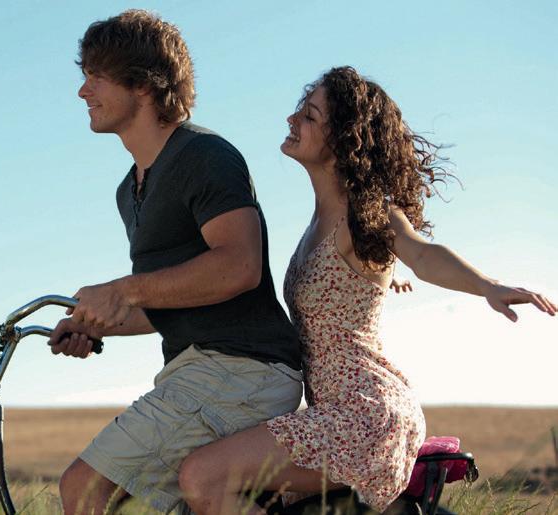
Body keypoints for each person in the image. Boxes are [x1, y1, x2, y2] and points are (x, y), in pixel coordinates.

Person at [176, 66, 557, 514]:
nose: (292, 120)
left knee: (201, 477)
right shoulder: (317, 226)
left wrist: (487, 285)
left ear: (344, 139)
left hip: (365, 415)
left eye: (310, 116)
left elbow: (422, 254)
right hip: (331, 415)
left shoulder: (366, 215)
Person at [46, 10, 305, 514]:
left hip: (242, 368)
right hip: (198, 369)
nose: (82, 91)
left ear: (143, 84)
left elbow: (240, 265)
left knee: (83, 488)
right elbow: (169, 302)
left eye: (96, 77)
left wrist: (123, 290)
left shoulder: (205, 155)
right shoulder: (129, 190)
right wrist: (96, 325)